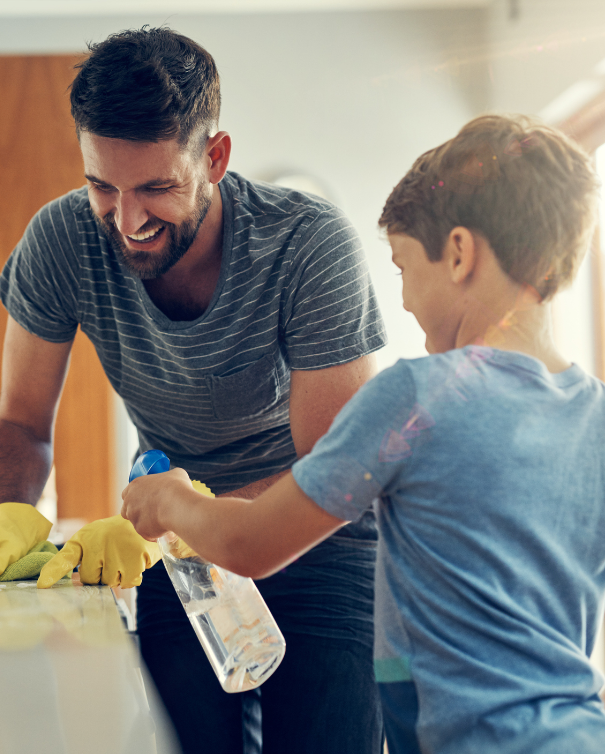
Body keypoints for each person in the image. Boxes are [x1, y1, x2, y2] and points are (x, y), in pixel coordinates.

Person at [0, 27, 387, 753]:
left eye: (156, 188)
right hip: (179, 555)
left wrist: (191, 511)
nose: (127, 221)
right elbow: (21, 423)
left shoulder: (308, 245)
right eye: (102, 186)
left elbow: (333, 475)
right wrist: (8, 518)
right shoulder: (63, 240)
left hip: (314, 548)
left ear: (215, 158)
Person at [121, 113, 605, 754]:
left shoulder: (419, 397)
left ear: (458, 253)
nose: (402, 300)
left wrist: (169, 500)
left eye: (404, 267)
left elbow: (251, 545)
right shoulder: (594, 415)